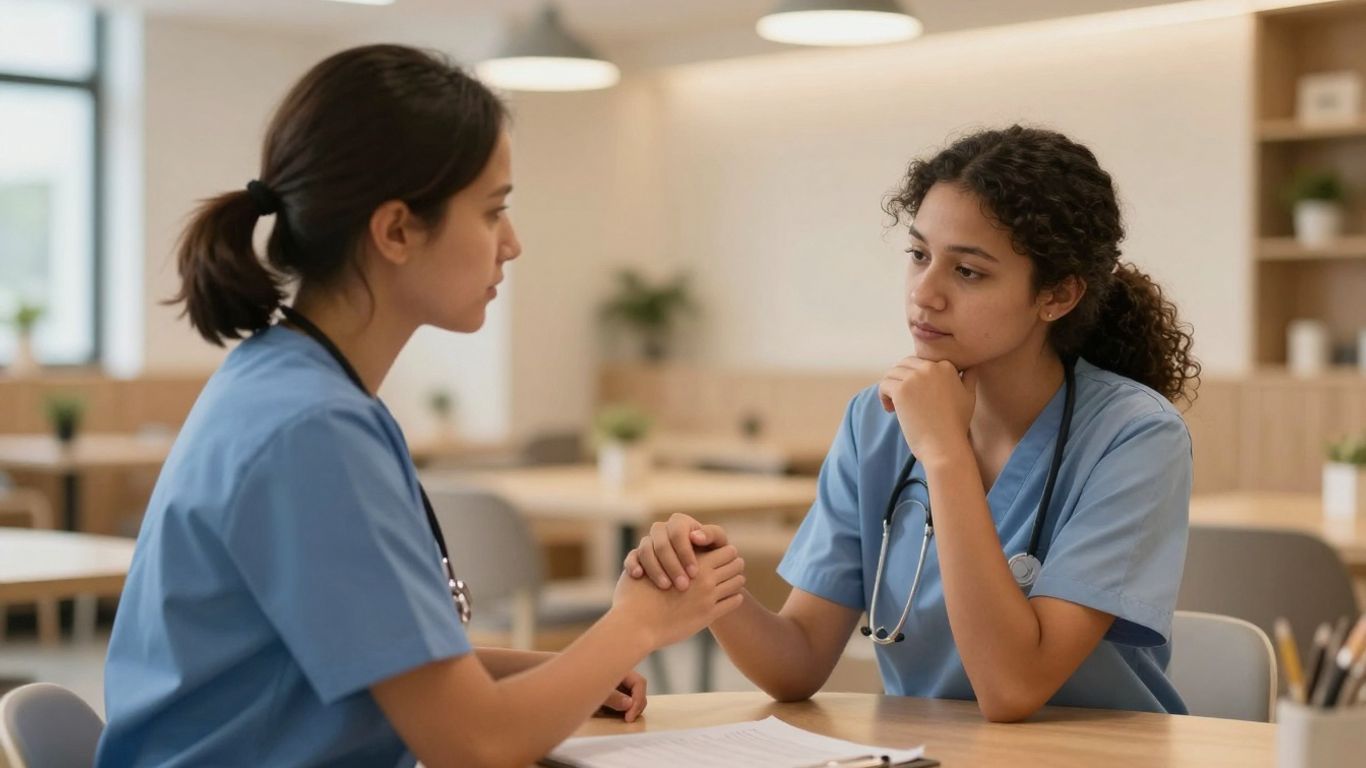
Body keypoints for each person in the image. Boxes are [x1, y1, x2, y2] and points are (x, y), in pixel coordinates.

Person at [96, 44, 746, 767]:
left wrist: (562, 670)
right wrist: (636, 626)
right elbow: (475, 744)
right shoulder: (314, 431)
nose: (513, 243)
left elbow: (378, 668)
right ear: (397, 230)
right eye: (493, 210)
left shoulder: (287, 385)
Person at [625, 125, 1201, 722]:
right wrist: (713, 587)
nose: (924, 294)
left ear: (1056, 295)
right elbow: (795, 664)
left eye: (968, 272)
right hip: (931, 755)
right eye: (920, 255)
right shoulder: (875, 421)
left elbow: (1012, 688)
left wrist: (945, 454)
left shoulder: (1135, 437)